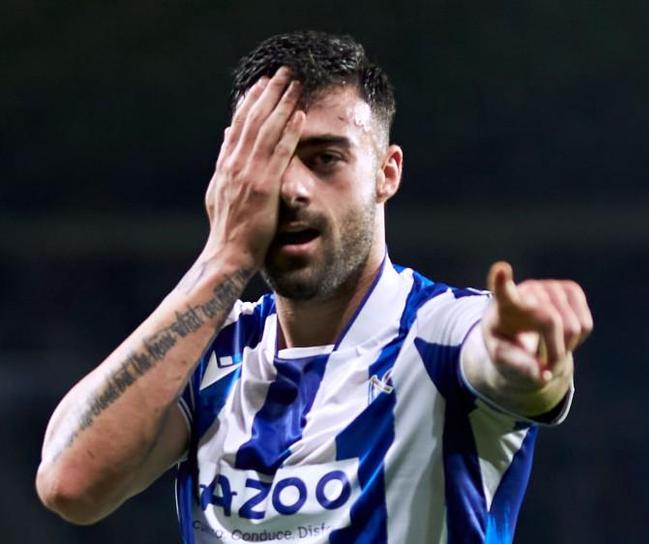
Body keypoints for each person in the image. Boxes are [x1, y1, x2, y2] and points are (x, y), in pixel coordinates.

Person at [36, 31, 593, 543]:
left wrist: (524, 361)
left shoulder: (441, 331)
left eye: (325, 158)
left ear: (386, 172)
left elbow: (503, 363)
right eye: (271, 161)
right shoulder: (206, 353)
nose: (293, 189)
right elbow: (70, 483)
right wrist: (224, 257)